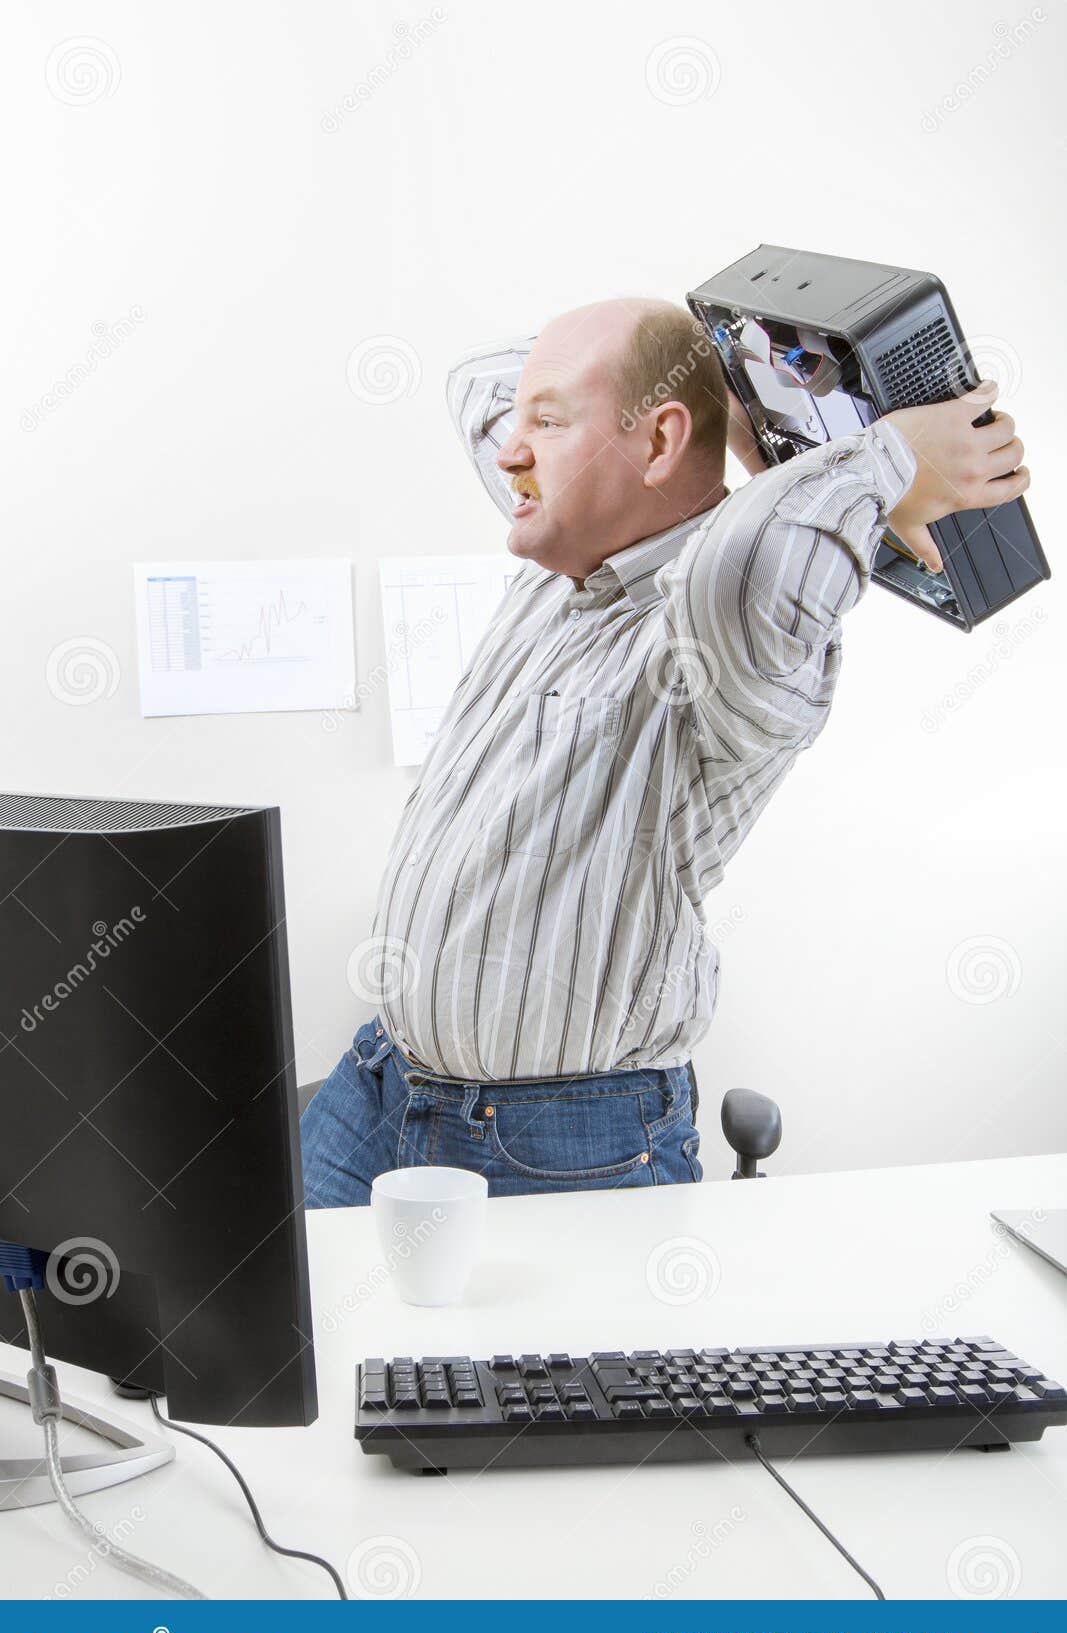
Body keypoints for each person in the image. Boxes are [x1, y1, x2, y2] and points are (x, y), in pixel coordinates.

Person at [300, 298, 1028, 1206]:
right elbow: (474, 389)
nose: (507, 450)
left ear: (655, 446)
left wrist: (888, 457)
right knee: (296, 1340)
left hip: (558, 1142)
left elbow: (751, 553)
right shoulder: (567, 569)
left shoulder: (722, 637)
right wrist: (747, 402)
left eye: (547, 422)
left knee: (533, 1360)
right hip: (379, 1085)